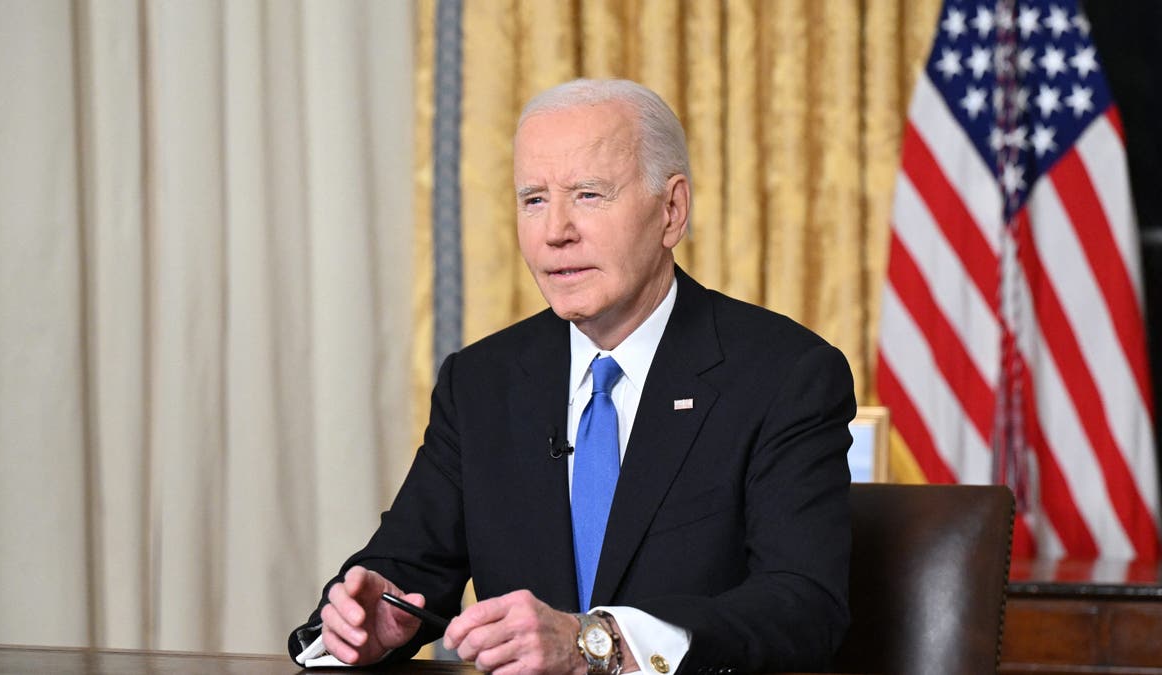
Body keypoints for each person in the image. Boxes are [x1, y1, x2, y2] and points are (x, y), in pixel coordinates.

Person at [288, 78, 855, 675]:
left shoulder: (784, 374)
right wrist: (366, 624)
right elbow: (407, 569)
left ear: (672, 210)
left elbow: (803, 606)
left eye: (588, 195)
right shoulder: (482, 383)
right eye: (534, 199)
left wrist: (596, 643)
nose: (556, 230)